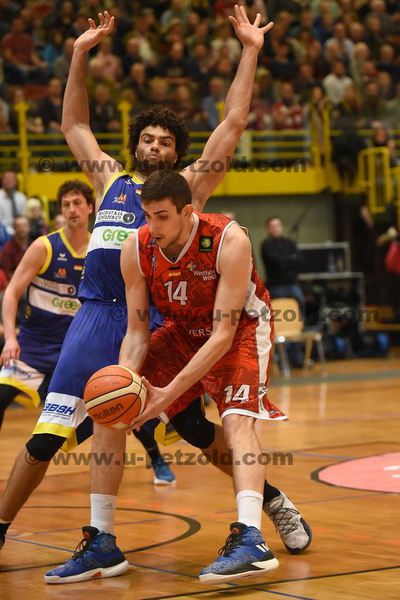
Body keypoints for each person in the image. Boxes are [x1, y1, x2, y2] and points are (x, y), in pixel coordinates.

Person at [0, 7, 310, 581]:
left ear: (177, 152)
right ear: (135, 144)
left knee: (196, 430)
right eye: (147, 138)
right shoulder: (110, 180)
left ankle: (266, 502)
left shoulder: (187, 189)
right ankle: (81, 538)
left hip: (161, 319)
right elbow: (72, 124)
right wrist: (79, 54)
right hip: (99, 317)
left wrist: (249, 51)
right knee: (66, 429)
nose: (155, 146)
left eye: (166, 141)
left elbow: (233, 123)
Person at [120, 170, 289, 582]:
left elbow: (222, 335)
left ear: (187, 212)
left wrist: (164, 394)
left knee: (236, 419)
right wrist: (125, 382)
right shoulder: (137, 246)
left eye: (162, 217)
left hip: (239, 330)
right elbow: (136, 333)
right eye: (147, 216)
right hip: (181, 331)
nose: (152, 227)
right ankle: (271, 498)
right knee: (183, 423)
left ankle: (251, 538)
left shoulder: (229, 240)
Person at [0, 180, 93, 429]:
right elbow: (11, 293)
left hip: (76, 348)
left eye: (77, 203)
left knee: (118, 396)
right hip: (34, 344)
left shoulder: (98, 249)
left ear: (90, 207)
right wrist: (10, 338)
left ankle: (155, 453)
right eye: (66, 205)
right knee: (1, 394)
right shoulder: (44, 246)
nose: (71, 209)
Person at [260, 216, 305, 312]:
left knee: (300, 308)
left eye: (278, 225)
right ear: (268, 229)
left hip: (293, 283)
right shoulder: (266, 245)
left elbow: (300, 261)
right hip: (276, 286)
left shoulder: (290, 242)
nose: (276, 228)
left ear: (281, 227)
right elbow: (278, 263)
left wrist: (284, 259)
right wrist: (291, 258)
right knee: (280, 312)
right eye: (273, 226)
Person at [0, 216, 31, 281]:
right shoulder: (7, 249)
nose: (22, 228)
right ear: (14, 228)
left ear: (29, 227)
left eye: (24, 225)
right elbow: (8, 273)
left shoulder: (35, 245)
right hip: (16, 283)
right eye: (18, 226)